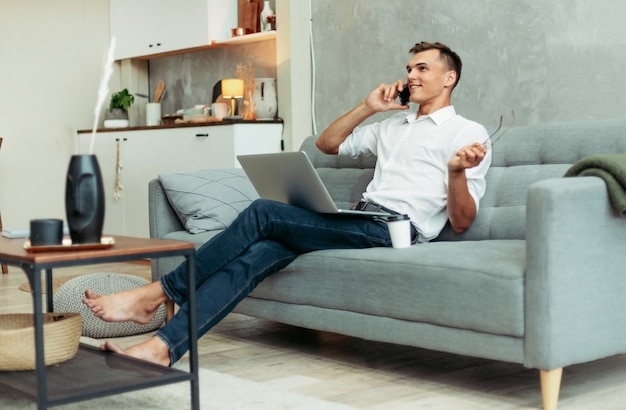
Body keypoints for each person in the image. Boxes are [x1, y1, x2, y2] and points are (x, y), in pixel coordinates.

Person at [83, 41, 491, 367]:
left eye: (423, 68)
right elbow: (327, 145)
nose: (411, 75)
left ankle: (158, 292)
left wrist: (456, 172)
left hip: (397, 229)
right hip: (360, 220)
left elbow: (462, 218)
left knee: (264, 211)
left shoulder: (467, 133)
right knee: (256, 255)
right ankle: (162, 349)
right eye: (409, 68)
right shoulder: (393, 125)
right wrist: (369, 107)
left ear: (449, 77)